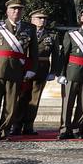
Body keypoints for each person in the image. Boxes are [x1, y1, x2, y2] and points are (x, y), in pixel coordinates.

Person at [53, 7, 83, 140]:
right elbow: (64, 55)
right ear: (81, 18)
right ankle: (64, 129)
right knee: (68, 102)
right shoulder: (71, 34)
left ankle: (77, 129)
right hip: (72, 72)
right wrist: (61, 73)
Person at [0, 0, 31, 140]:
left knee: (11, 104)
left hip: (16, 71)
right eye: (13, 9)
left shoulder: (29, 28)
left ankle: (4, 131)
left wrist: (32, 69)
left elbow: (34, 52)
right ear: (7, 11)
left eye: (19, 9)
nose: (16, 12)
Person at [12, 8, 52, 136]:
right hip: (24, 67)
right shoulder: (23, 32)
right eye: (39, 18)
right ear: (32, 19)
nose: (42, 20)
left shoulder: (51, 36)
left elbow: (56, 54)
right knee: (20, 97)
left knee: (34, 98)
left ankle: (28, 125)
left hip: (41, 69)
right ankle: (16, 125)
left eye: (44, 18)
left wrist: (54, 71)